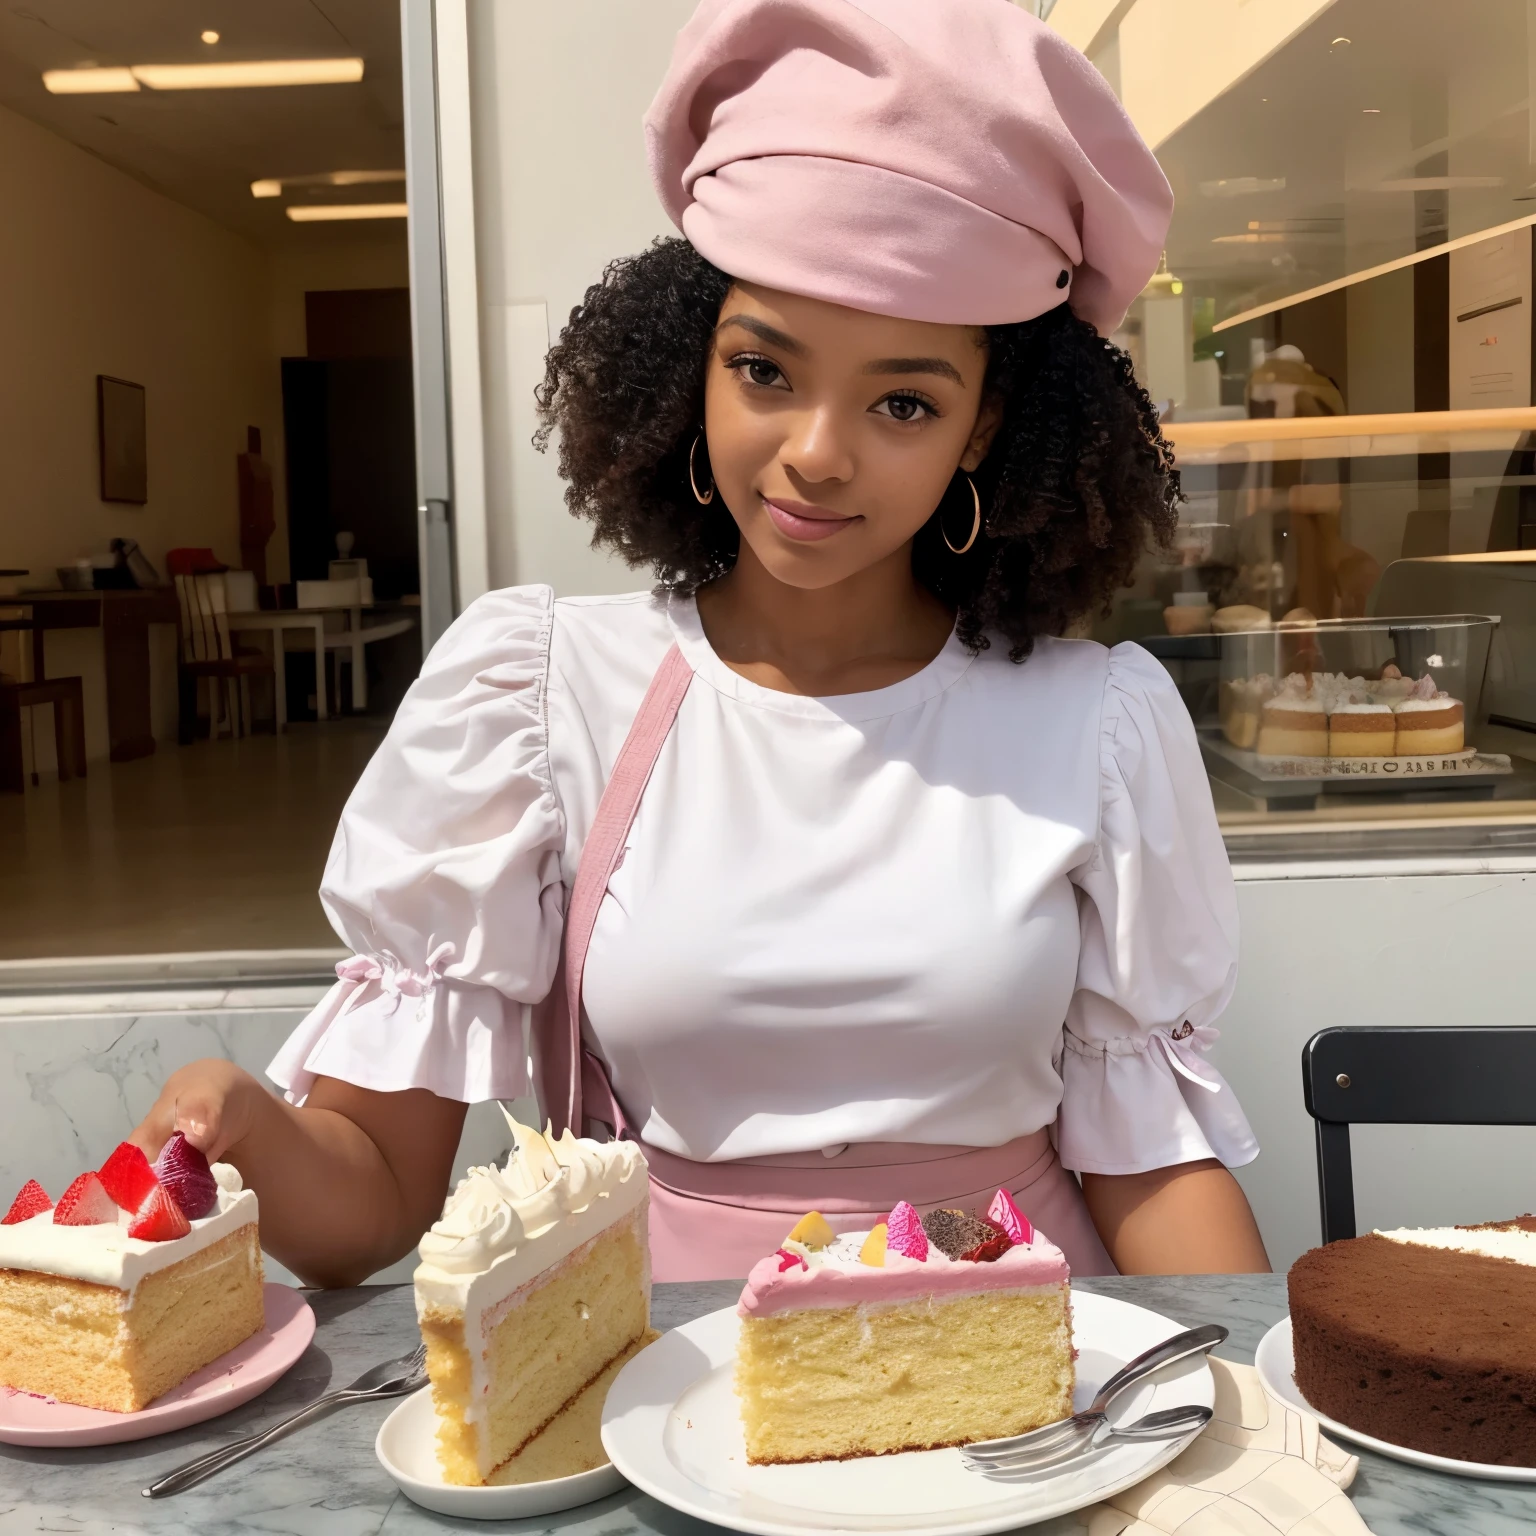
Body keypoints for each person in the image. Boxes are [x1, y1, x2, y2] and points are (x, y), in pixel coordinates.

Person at [132, 0, 1269, 1286]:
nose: (817, 453)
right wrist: (244, 1128)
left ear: (988, 429)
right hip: (665, 1378)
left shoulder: (1095, 725)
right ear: (691, 370)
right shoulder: (541, 694)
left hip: (1016, 1375)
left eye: (904, 399)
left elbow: (1151, 1172)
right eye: (766, 370)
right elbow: (374, 1205)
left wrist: (1262, 1398)